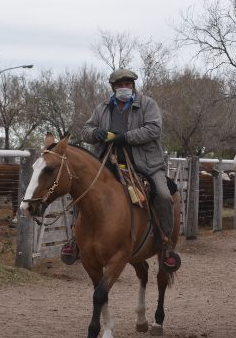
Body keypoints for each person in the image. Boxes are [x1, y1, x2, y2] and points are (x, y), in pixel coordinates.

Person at [75, 68, 180, 272]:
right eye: (120, 84)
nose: (124, 87)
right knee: (83, 192)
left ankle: (165, 242)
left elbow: (154, 129)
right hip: (107, 162)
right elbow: (85, 130)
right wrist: (96, 133)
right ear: (113, 87)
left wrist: (125, 137)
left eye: (128, 84)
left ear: (133, 86)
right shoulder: (102, 108)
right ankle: (76, 241)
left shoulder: (148, 104)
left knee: (163, 195)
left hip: (145, 164)